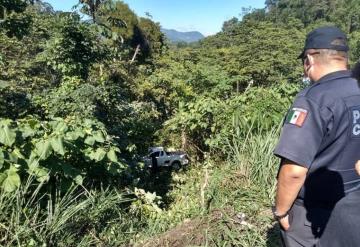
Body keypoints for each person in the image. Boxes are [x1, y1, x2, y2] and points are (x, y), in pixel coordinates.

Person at [273, 26, 360, 247]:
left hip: (312, 214)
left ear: (310, 59)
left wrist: (281, 211)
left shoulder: (313, 100)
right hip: (353, 206)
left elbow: (294, 171)